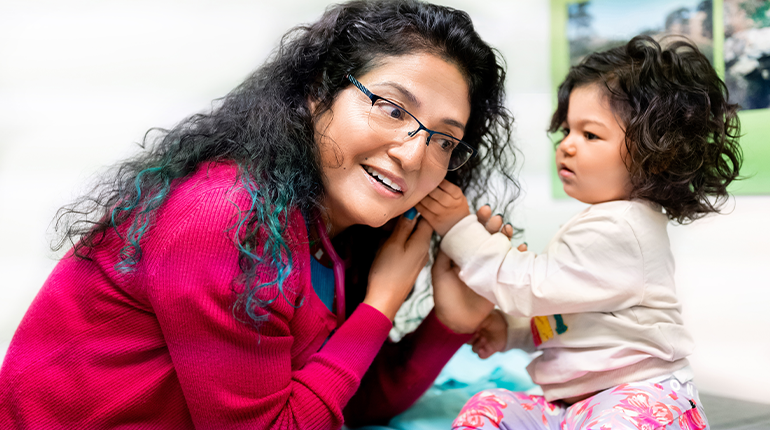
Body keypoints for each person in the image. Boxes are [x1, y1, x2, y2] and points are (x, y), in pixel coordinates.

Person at [0, 1, 518, 428]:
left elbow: (341, 400)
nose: (414, 154)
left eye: (445, 140)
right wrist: (381, 304)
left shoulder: (326, 231)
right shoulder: (226, 214)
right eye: (392, 108)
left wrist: (450, 322)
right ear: (318, 93)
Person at [417, 35, 741, 429]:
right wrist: (513, 331)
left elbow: (530, 287)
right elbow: (574, 319)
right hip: (572, 408)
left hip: (640, 397)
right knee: (489, 406)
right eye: (566, 130)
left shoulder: (624, 228)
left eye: (589, 135)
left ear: (657, 155)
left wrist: (459, 227)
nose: (567, 146)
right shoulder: (603, 223)